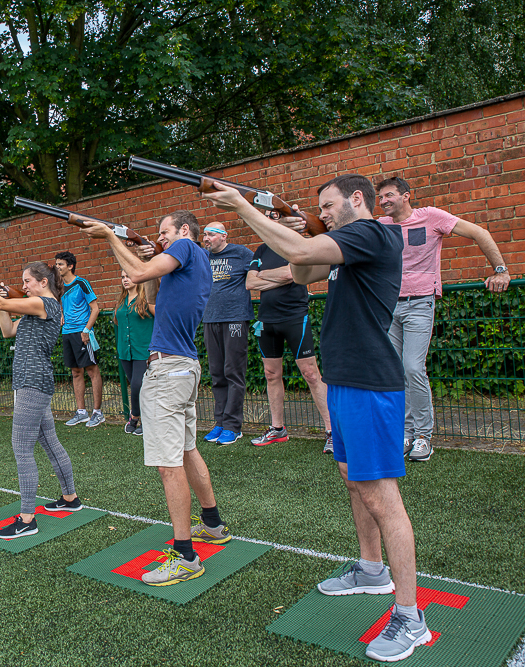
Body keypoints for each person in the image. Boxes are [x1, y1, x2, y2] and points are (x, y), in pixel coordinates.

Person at [204, 174, 427, 662]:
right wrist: (299, 230)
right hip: (346, 378)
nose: (321, 213)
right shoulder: (347, 242)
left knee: (382, 496)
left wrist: (243, 207)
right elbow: (304, 272)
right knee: (354, 480)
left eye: (327, 205)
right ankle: (371, 569)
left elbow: (301, 257)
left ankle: (411, 617)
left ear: (356, 199)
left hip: (370, 382)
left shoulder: (371, 232)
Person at [78, 210, 232, 586]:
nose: (160, 238)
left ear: (184, 230)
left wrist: (110, 236)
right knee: (187, 450)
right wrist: (144, 253)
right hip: (182, 367)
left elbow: (138, 275)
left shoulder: (186, 247)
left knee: (168, 465)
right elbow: (147, 283)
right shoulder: (193, 261)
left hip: (168, 371)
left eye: (165, 232)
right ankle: (212, 524)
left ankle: (185, 556)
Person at [376, 176, 511, 462]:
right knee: (395, 371)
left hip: (419, 304)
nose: (383, 201)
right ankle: (406, 433)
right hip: (388, 307)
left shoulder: (432, 217)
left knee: (413, 367)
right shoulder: (381, 225)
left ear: (406, 196)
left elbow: (479, 232)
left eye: (389, 195)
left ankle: (424, 436)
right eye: (380, 197)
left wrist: (500, 270)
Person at [0, 262, 81, 539]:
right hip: (32, 382)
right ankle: (70, 498)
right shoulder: (36, 310)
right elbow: (7, 330)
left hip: (32, 382)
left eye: (27, 281)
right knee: (49, 441)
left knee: (22, 449)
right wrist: (3, 303)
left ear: (43, 282)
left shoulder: (45, 304)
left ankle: (27, 519)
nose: (24, 286)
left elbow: (0, 301)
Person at [245, 211, 333, 452]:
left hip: (295, 317)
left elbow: (292, 273)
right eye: (266, 216)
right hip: (267, 320)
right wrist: (282, 276)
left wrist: (267, 276)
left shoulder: (296, 245)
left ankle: (332, 431)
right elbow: (250, 282)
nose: (270, 219)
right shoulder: (261, 250)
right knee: (271, 374)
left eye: (274, 215)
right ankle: (277, 429)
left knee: (311, 374)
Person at [200, 222, 254, 445]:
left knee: (233, 371)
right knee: (217, 373)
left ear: (224, 236)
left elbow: (259, 274)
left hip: (235, 318)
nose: (206, 238)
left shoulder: (241, 253)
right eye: (204, 235)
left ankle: (233, 426)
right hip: (210, 319)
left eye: (211, 234)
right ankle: (220, 422)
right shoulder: (203, 257)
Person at [54, 251, 104, 428]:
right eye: (56, 264)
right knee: (75, 372)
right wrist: (61, 314)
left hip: (82, 333)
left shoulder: (82, 283)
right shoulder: (59, 286)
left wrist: (86, 330)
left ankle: (98, 413)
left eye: (60, 264)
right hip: (67, 333)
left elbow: (95, 309)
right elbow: (60, 305)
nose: (57, 267)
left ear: (70, 266)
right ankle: (81, 412)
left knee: (92, 371)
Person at [114, 270, 155, 436]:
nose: (125, 280)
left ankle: (137, 416)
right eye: (123, 277)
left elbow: (159, 319)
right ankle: (139, 417)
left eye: (128, 276)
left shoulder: (146, 299)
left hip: (143, 350)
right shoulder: (121, 300)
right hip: (125, 351)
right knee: (135, 385)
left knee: (139, 385)